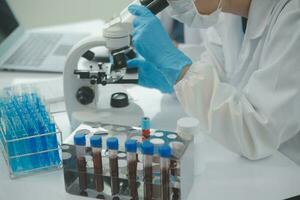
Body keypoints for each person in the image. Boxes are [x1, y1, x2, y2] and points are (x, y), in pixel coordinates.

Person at [127, 0, 300, 160]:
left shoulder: (293, 17)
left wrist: (178, 69)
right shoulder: (227, 17)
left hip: (288, 169)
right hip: (254, 167)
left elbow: (257, 133)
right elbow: (217, 73)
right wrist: (172, 74)